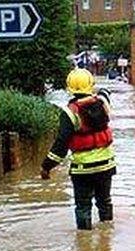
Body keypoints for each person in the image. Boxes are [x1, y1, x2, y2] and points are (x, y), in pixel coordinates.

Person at [40, 68, 116, 230]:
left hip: (83, 169)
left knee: (83, 206)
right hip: (106, 165)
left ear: (69, 87)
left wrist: (47, 166)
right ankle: (107, 234)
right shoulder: (103, 103)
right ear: (91, 85)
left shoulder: (69, 112)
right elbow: (105, 93)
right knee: (105, 201)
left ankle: (84, 241)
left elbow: (61, 144)